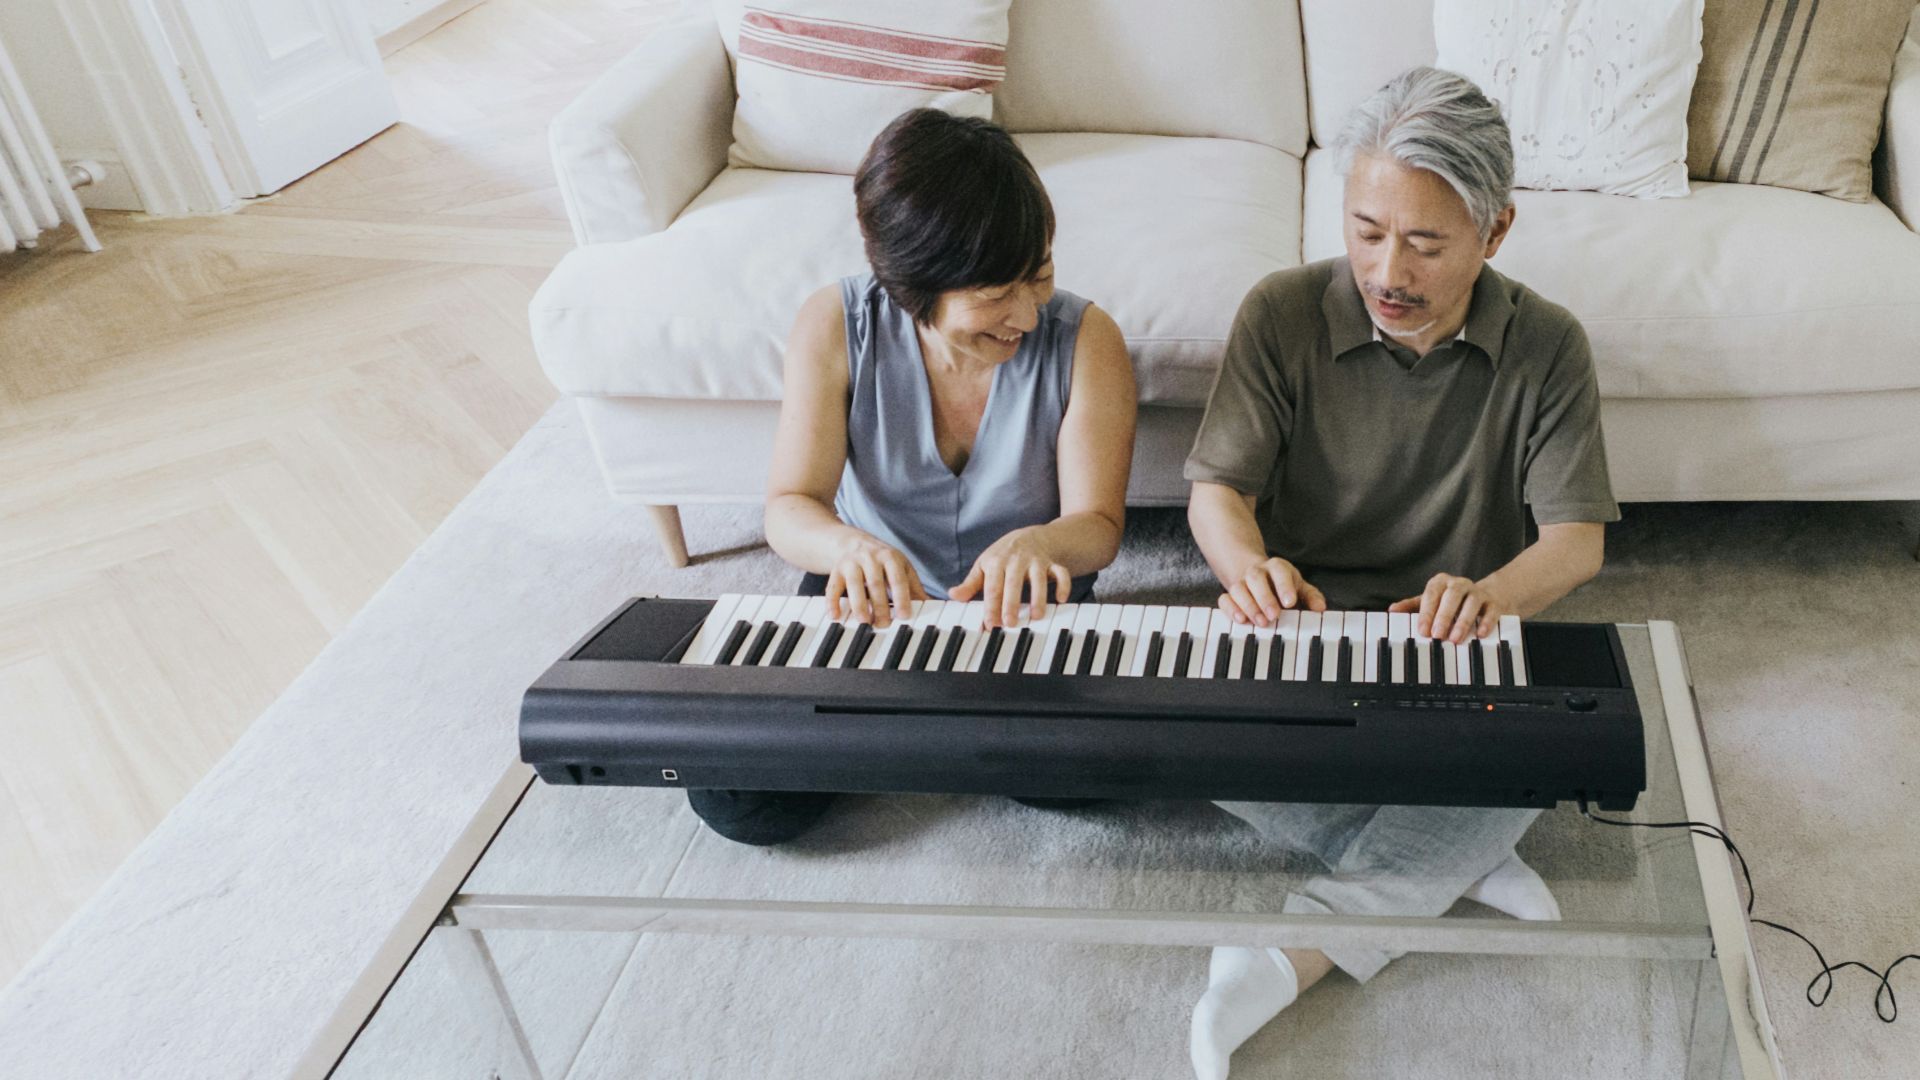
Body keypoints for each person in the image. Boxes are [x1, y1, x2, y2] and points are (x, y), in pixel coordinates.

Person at [1181, 68, 1620, 1078]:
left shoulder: (1548, 345)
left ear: (1495, 233)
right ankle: (1453, 859)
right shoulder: (1282, 312)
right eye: (1366, 228)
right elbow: (1216, 494)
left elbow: (1575, 542)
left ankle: (1286, 957)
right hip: (1306, 636)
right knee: (1188, 740)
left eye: (1425, 243)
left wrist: (1494, 595)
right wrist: (1248, 570)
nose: (1387, 268)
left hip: (1449, 649)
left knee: (1560, 746)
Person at [687, 108, 1137, 846]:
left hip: (1026, 599)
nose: (1025, 313)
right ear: (909, 285)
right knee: (740, 801)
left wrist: (1045, 545)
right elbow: (790, 505)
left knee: (1094, 776)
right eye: (995, 295)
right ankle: (930, 726)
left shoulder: (1089, 338)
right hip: (871, 594)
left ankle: (903, 729)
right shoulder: (834, 323)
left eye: (1041, 276)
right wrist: (845, 550)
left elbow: (1098, 527)